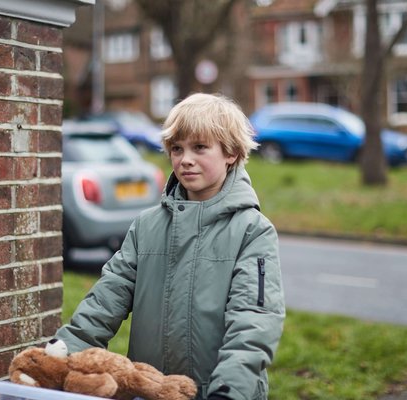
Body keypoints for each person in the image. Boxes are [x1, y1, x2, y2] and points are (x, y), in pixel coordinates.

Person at [55, 93, 285, 400]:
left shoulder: (252, 231)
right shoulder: (146, 226)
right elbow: (104, 302)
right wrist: (62, 355)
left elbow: (253, 324)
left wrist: (229, 392)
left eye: (200, 147)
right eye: (177, 148)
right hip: (151, 391)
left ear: (230, 153)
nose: (185, 159)